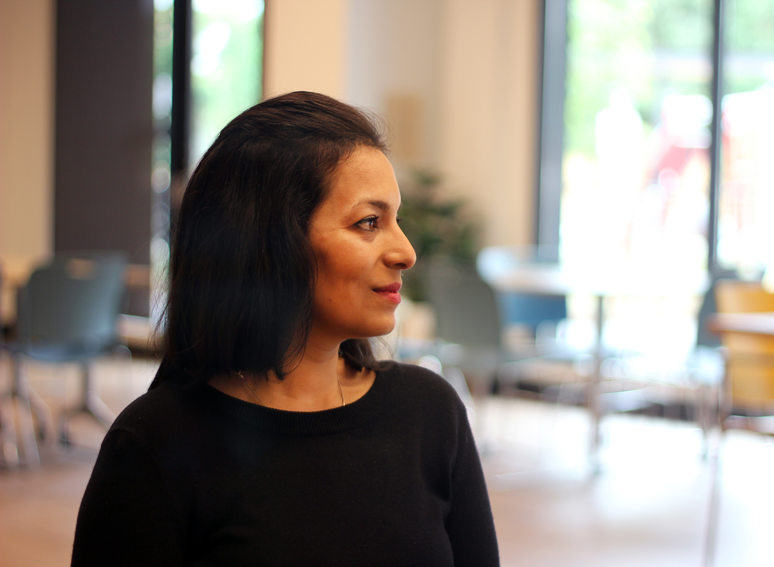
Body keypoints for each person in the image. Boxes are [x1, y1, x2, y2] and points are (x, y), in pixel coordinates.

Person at [71, 91, 499, 566]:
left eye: (395, 220)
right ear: (273, 241)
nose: (406, 252)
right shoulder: (155, 445)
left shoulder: (430, 413)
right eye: (369, 222)